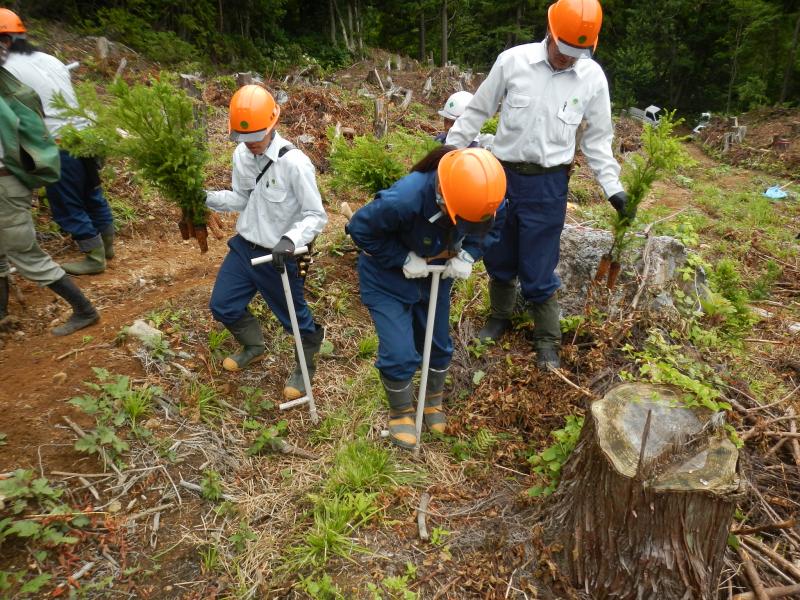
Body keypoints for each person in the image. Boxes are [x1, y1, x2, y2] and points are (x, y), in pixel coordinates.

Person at [445, 0, 630, 370]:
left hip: (548, 184)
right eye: (564, 51)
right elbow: (478, 110)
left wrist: (613, 188)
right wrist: (449, 153)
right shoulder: (513, 62)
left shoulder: (592, 78)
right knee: (497, 251)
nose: (568, 60)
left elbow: (596, 140)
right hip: (499, 176)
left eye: (577, 54)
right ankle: (500, 316)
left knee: (539, 262)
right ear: (550, 32)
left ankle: (547, 338)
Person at [347, 147, 506, 449]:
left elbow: (492, 224)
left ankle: (432, 401)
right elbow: (358, 229)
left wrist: (470, 253)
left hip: (437, 272)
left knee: (437, 343)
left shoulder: (487, 193)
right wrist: (402, 258)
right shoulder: (404, 200)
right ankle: (401, 413)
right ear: (445, 198)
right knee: (399, 351)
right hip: (387, 278)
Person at [206, 85, 327, 401]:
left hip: (279, 256)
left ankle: (306, 364)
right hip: (245, 247)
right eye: (244, 138)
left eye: (257, 136)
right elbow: (241, 198)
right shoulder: (241, 154)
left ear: (273, 124)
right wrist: (204, 198)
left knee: (293, 318)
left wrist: (290, 240)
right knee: (222, 305)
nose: (251, 144)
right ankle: (254, 346)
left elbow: (316, 215)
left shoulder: (295, 163)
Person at [0, 8, 114, 276]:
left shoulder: (6, 68)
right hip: (84, 134)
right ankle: (107, 246)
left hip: (57, 140)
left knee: (66, 203)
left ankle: (95, 258)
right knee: (92, 192)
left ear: (4, 40)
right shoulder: (48, 58)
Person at [0, 37, 99, 335]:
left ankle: (84, 307)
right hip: (74, 137)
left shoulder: (13, 75)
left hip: (19, 172)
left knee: (30, 246)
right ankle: (2, 315)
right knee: (90, 198)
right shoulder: (42, 63)